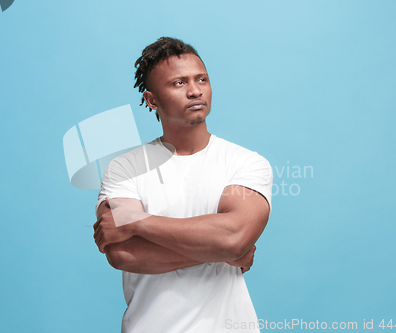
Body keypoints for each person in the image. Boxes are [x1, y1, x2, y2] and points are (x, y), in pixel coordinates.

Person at [93, 37, 273, 333]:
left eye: (201, 79)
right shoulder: (125, 168)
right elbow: (122, 253)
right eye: (179, 83)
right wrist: (221, 251)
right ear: (152, 100)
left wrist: (136, 222)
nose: (195, 91)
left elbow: (234, 237)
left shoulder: (246, 163)